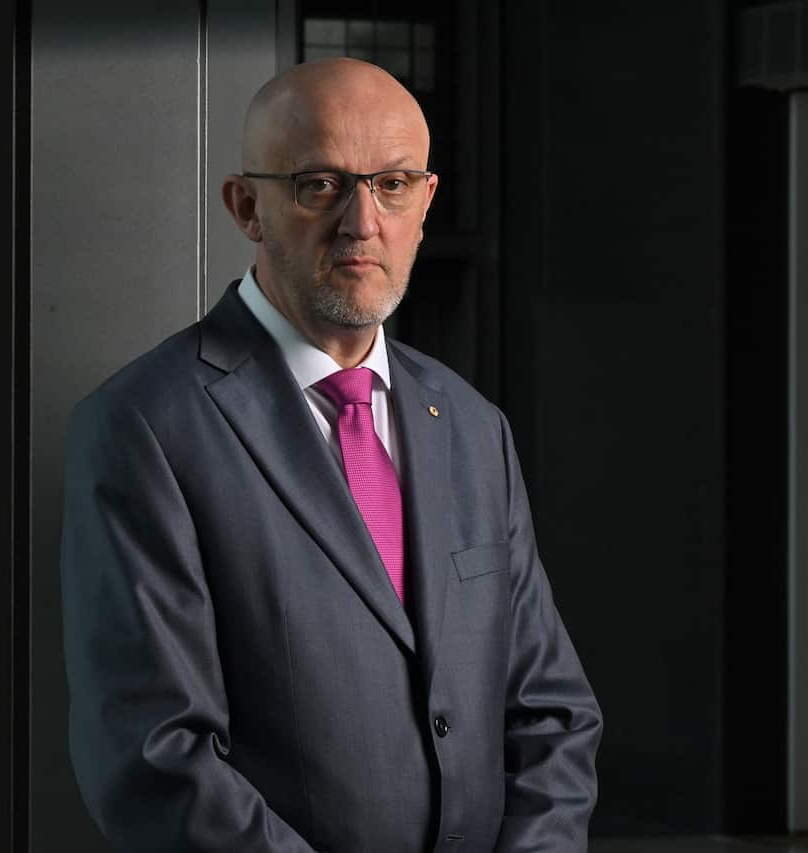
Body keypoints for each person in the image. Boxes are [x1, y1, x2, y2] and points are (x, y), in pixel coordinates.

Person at [60, 58, 602, 852]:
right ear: (247, 206)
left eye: (393, 183)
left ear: (426, 201)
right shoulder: (142, 426)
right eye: (320, 184)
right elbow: (155, 757)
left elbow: (552, 712)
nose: (362, 222)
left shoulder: (472, 425)